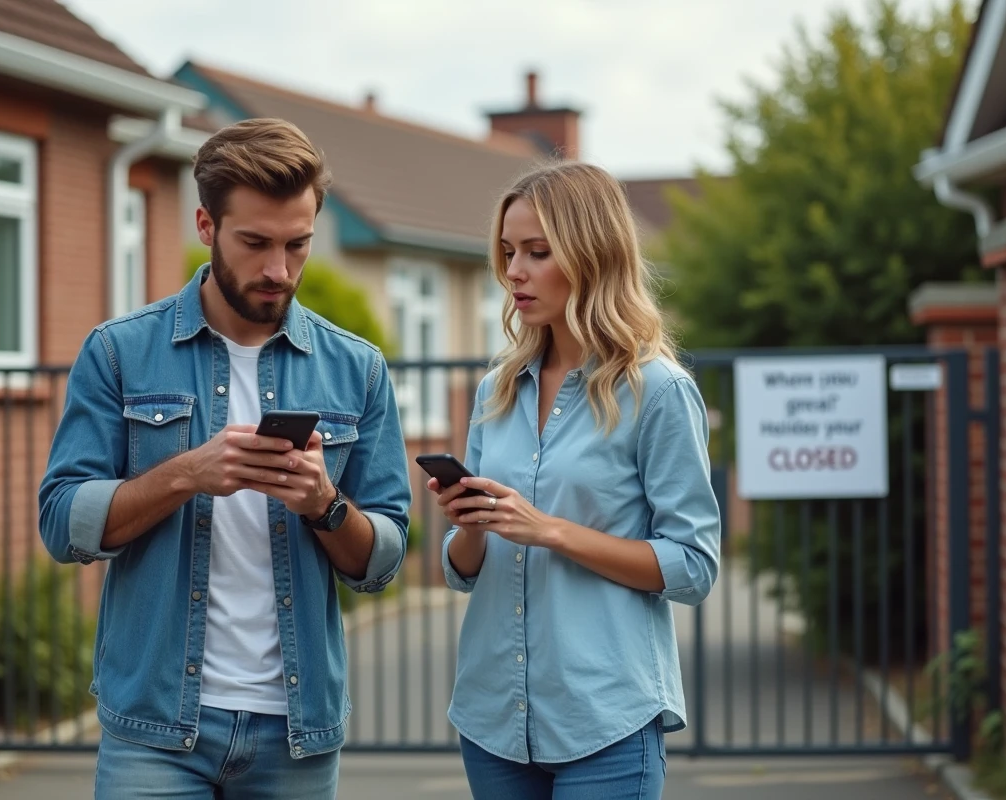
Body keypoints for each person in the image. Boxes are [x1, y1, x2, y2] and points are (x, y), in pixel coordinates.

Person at [38, 118, 411, 799]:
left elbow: (382, 559)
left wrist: (325, 505)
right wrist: (187, 473)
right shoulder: (120, 351)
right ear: (206, 226)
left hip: (296, 731)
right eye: (255, 243)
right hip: (155, 728)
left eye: (298, 244)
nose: (279, 270)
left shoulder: (356, 368)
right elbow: (63, 524)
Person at [429, 161, 721, 799]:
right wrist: (469, 526)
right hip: (493, 720)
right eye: (509, 252)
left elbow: (695, 566)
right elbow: (461, 569)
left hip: (605, 720)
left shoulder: (658, 390)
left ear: (593, 255)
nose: (515, 271)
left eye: (537, 252)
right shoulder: (496, 390)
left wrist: (551, 531)